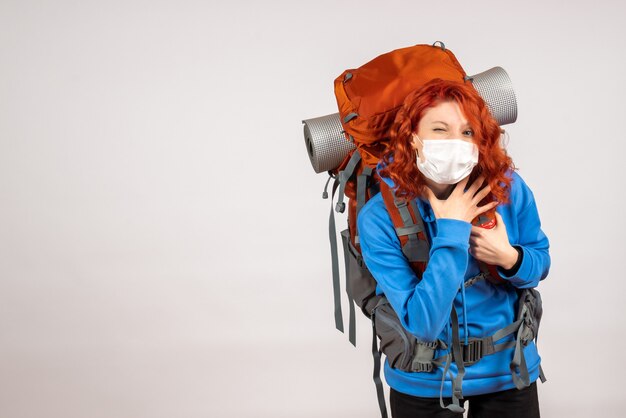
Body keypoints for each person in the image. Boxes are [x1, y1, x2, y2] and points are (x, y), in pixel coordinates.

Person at [356, 78, 550, 417]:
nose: (455, 143)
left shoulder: (506, 187)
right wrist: (451, 229)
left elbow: (541, 262)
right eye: (440, 130)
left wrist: (510, 258)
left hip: (508, 370)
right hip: (423, 378)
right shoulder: (380, 215)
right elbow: (424, 324)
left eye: (467, 132)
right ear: (413, 136)